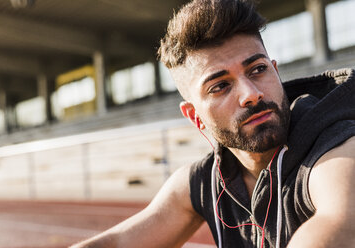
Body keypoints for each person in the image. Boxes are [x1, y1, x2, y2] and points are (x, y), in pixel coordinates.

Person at [70, 0, 355, 247]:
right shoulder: (206, 180)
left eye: (257, 70)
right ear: (195, 116)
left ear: (275, 72)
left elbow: (343, 220)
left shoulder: (337, 151)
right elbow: (118, 243)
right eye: (220, 86)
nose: (251, 94)